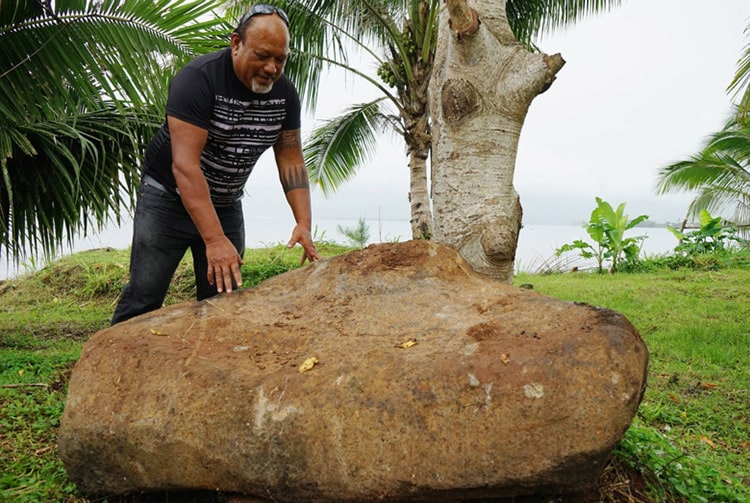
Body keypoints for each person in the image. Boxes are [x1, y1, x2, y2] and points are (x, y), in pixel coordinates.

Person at [112, 4, 320, 325]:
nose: (271, 68)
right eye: (262, 55)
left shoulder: (285, 95)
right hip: (167, 199)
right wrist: (214, 239)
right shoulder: (198, 80)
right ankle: (110, 368)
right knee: (145, 294)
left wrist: (303, 222)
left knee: (224, 299)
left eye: (280, 59)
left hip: (224, 202)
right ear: (236, 43)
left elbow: (290, 157)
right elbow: (185, 167)